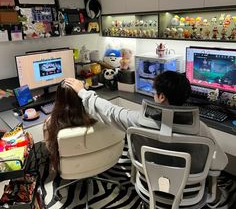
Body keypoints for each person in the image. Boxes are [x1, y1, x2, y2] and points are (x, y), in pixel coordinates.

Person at [65, 71, 228, 171]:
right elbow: (220, 162)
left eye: (154, 92)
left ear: (162, 96)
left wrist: (83, 92)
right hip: (188, 189)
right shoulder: (200, 128)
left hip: (149, 180)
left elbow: (111, 112)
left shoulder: (139, 120)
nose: (153, 94)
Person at [43, 80, 97, 172]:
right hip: (95, 162)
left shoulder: (49, 123)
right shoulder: (93, 117)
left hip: (67, 169)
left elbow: (50, 148)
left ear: (58, 98)